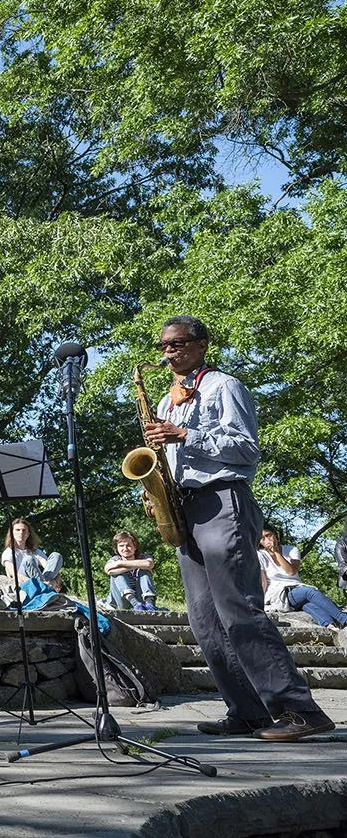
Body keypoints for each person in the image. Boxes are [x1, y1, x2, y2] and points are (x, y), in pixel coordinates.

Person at [147, 314, 333, 740]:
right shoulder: (166, 400)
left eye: (177, 343)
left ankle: (300, 710)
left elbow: (247, 448)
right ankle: (248, 711)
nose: (168, 352)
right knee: (203, 620)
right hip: (185, 508)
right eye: (163, 346)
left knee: (239, 610)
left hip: (223, 500)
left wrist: (185, 435)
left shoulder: (224, 386)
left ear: (202, 344)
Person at [258, 526, 347, 628]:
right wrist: (260, 603)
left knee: (308, 605)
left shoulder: (291, 550)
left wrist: (277, 553)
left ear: (275, 534)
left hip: (297, 588)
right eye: (263, 538)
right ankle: (343, 618)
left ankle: (330, 625)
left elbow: (291, 571)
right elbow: (263, 582)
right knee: (310, 592)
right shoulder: (260, 555)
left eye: (269, 535)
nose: (267, 540)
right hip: (280, 593)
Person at [1, 517, 63, 592]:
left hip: (41, 580)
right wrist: (38, 583)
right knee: (28, 559)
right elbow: (14, 574)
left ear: (28, 534)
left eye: (24, 530)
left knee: (56, 556)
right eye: (18, 530)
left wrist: (54, 582)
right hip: (24, 584)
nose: (21, 533)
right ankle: (42, 586)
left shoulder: (34, 551)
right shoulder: (8, 552)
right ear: (12, 533)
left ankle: (45, 587)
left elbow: (49, 568)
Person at [104, 530, 159, 611]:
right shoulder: (115, 559)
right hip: (122, 601)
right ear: (117, 548)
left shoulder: (143, 557)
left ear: (135, 547)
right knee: (117, 575)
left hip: (141, 598)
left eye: (128, 545)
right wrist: (137, 565)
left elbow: (149, 564)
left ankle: (149, 603)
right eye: (121, 546)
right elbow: (108, 569)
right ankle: (134, 603)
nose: (125, 549)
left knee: (144, 571)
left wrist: (120, 564)